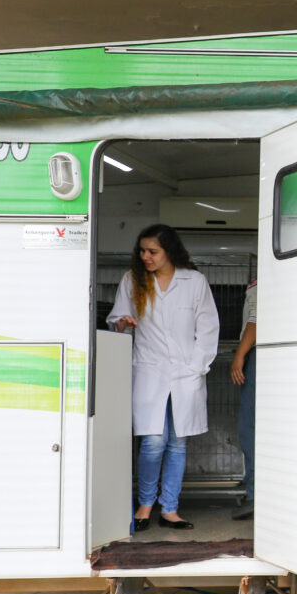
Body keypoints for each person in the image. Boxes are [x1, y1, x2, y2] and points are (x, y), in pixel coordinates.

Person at [107, 224, 220, 532]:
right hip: (150, 370)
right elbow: (116, 318)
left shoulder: (194, 281)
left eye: (152, 251)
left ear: (169, 251)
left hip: (185, 373)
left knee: (178, 442)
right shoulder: (132, 281)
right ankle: (145, 506)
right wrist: (123, 322)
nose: (146, 256)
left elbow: (208, 327)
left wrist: (197, 366)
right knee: (154, 441)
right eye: (142, 251)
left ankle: (170, 509)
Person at [229, 277, 257, 520]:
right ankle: (253, 487)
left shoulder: (265, 280)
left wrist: (239, 355)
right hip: (259, 354)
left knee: (250, 428)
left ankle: (255, 495)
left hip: (257, 354)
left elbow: (256, 321)